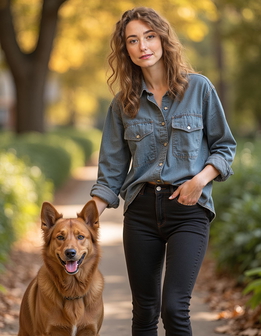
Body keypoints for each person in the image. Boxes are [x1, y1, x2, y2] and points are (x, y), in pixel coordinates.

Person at [90, 7, 236, 336]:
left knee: (174, 307)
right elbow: (111, 173)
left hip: (188, 210)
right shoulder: (122, 103)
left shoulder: (199, 89)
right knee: (145, 311)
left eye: (149, 36)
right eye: (133, 40)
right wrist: (85, 219)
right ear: (125, 49)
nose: (143, 45)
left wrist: (199, 181)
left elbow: (225, 147)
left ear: (163, 39)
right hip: (140, 212)